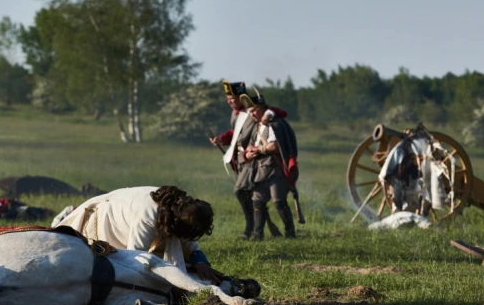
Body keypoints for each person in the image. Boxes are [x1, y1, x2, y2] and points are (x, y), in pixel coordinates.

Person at [53, 185, 225, 284]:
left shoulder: (178, 209)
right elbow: (135, 258)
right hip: (106, 218)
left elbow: (185, 241)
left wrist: (201, 263)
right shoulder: (148, 218)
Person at [209, 80, 285, 239]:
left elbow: (277, 111)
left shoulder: (253, 110)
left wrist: (268, 114)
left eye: (232, 98)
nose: (229, 101)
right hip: (241, 159)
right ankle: (255, 230)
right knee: (250, 196)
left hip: (253, 159)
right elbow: (235, 133)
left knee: (241, 191)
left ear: (240, 97)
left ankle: (251, 229)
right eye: (228, 98)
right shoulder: (236, 113)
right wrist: (221, 139)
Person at [240, 89, 299, 240]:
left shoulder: (275, 124)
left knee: (278, 201)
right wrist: (248, 153)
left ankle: (290, 234)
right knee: (257, 201)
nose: (252, 114)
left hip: (276, 170)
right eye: (250, 111)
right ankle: (257, 235)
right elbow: (249, 148)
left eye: (254, 110)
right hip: (260, 170)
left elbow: (274, 146)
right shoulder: (257, 127)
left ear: (262, 109)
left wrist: (258, 149)